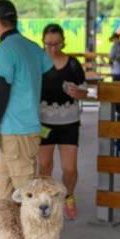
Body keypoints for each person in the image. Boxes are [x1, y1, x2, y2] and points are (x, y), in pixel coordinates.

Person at [0, 0, 53, 202]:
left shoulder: (4, 50)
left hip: (17, 131)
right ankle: (7, 233)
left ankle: (36, 234)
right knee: (3, 193)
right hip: (16, 129)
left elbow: (3, 91)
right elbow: (50, 77)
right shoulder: (32, 47)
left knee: (28, 196)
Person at [37, 24, 87, 220]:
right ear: (43, 43)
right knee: (45, 165)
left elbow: (86, 92)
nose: (53, 48)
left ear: (63, 42)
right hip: (43, 121)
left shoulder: (73, 64)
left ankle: (69, 195)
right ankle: (46, 200)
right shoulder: (38, 63)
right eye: (48, 44)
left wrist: (79, 93)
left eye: (57, 44)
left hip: (69, 120)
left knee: (69, 167)